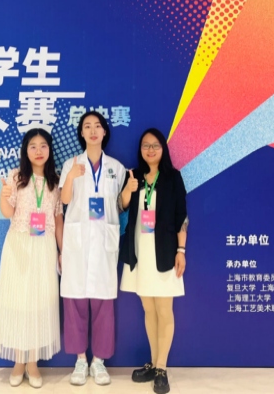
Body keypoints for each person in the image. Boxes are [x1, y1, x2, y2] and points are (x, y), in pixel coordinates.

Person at [0, 128, 63, 389]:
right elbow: (7, 212)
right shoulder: (16, 177)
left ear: (50, 150)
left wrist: (62, 251)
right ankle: (18, 362)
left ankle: (32, 363)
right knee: (18, 302)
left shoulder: (55, 182)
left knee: (39, 303)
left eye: (43, 145)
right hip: (18, 245)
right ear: (25, 150)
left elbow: (58, 219)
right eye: (33, 146)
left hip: (44, 248)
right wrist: (3, 196)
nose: (39, 151)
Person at [59, 111, 126, 386]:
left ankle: (98, 361)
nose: (93, 130)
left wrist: (129, 192)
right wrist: (71, 177)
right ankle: (80, 360)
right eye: (87, 126)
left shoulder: (116, 168)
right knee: (74, 300)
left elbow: (120, 205)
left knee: (103, 302)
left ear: (105, 131)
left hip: (104, 239)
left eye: (97, 126)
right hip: (77, 241)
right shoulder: (71, 163)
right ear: (82, 133)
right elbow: (64, 200)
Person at [119, 128, 188, 394]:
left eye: (155, 145)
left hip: (165, 252)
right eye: (146, 145)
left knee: (164, 310)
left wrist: (181, 250)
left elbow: (182, 216)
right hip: (139, 251)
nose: (150, 150)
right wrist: (128, 190)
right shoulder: (133, 176)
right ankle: (154, 361)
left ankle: (161, 368)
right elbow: (121, 207)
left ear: (163, 149)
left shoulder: (173, 177)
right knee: (148, 309)